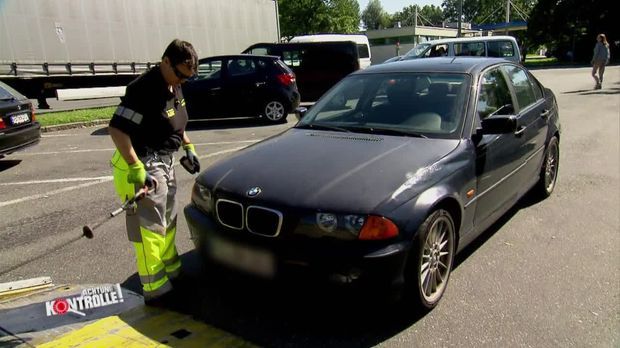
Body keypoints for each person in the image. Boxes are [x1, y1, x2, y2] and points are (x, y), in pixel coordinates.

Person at [108, 39, 200, 304]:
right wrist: (136, 167)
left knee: (168, 221)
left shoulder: (175, 85)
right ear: (166, 61)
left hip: (164, 160)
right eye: (181, 75)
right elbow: (117, 129)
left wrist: (189, 147)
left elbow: (177, 125)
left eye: (188, 78)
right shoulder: (144, 90)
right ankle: (156, 288)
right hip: (141, 163)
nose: (183, 82)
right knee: (149, 228)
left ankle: (171, 269)